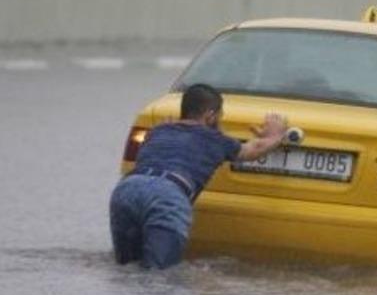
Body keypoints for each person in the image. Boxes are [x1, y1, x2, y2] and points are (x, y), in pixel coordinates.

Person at [109, 83, 288, 269]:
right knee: (159, 275)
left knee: (126, 268)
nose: (220, 122)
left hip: (126, 189)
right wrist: (274, 136)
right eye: (220, 116)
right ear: (210, 116)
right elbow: (254, 149)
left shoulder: (158, 131)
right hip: (167, 196)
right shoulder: (215, 139)